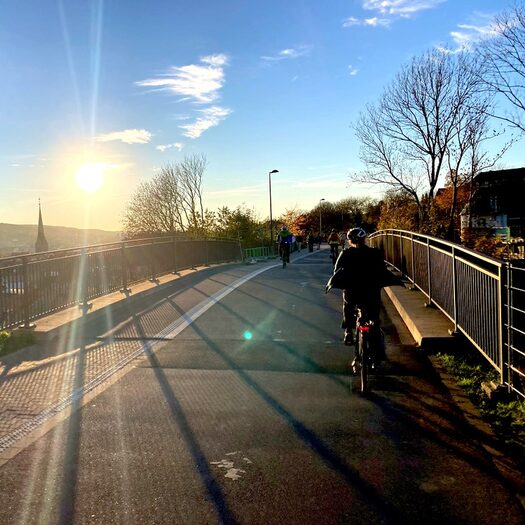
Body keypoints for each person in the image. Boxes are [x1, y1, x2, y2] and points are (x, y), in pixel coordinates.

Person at [333, 227, 389, 367]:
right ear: (365, 239)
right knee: (374, 320)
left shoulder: (346, 253)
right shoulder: (375, 253)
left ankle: (348, 331)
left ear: (350, 240)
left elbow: (336, 271)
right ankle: (376, 358)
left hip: (353, 292)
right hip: (371, 293)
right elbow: (382, 271)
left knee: (348, 303)